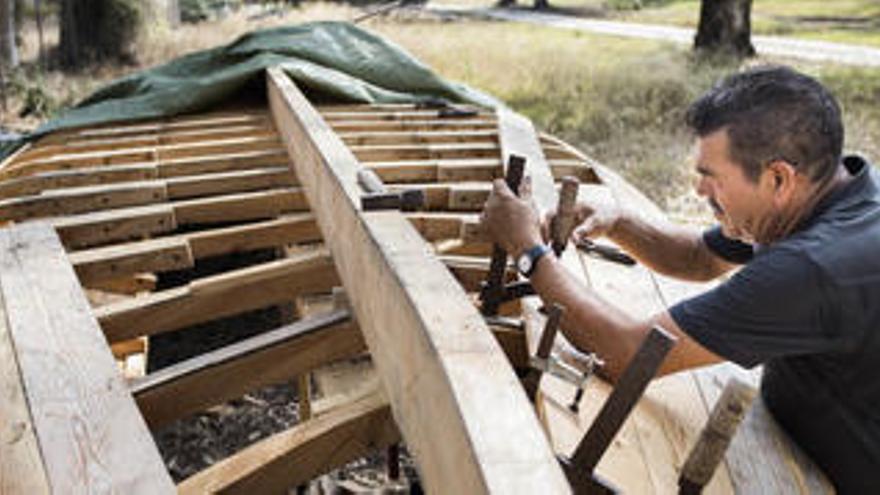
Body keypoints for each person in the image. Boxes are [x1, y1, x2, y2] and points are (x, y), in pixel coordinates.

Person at [480, 65, 880, 492]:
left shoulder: (812, 269)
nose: (698, 192)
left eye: (711, 179)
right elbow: (700, 257)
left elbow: (630, 356)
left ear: (778, 178)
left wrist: (528, 251)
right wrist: (620, 223)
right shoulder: (835, 193)